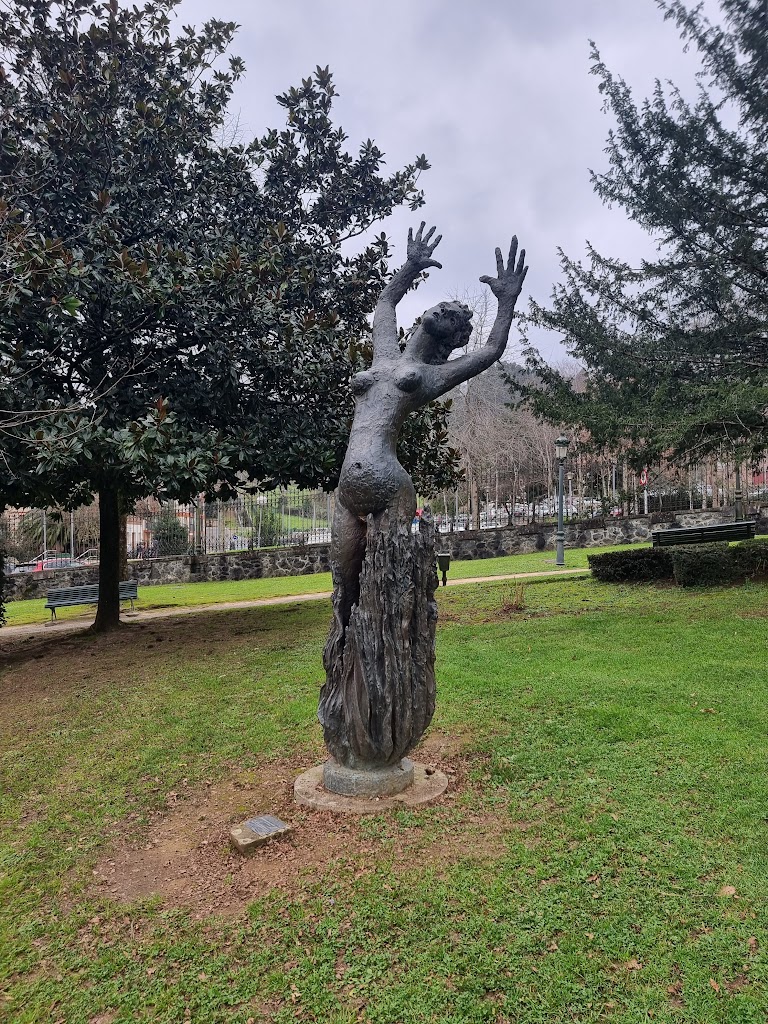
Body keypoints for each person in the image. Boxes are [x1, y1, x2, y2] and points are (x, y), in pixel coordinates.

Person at [332, 223, 528, 626]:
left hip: (390, 487)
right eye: (443, 306)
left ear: (450, 338)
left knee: (392, 584)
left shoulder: (430, 376)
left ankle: (402, 651)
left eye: (452, 316)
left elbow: (491, 350)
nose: (443, 309)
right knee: (345, 593)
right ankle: (351, 677)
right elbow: (384, 304)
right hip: (347, 491)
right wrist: (410, 267)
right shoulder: (384, 353)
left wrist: (506, 301)